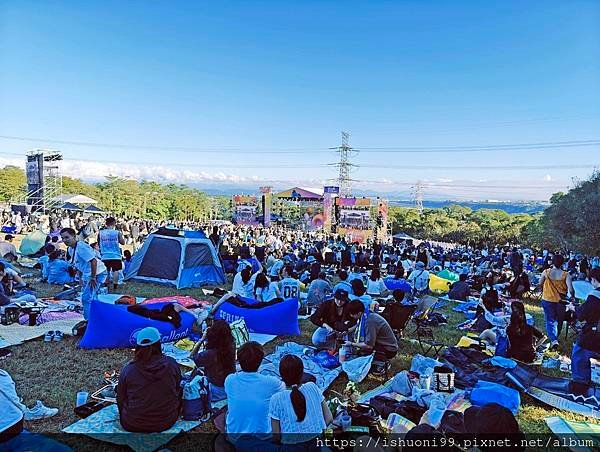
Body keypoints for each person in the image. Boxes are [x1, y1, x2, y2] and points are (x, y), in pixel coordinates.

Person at [117, 327, 182, 432]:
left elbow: (120, 397)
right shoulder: (172, 364)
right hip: (167, 421)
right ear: (159, 345)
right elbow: (178, 388)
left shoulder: (129, 370)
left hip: (132, 423)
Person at [224, 341, 285, 448]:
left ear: (239, 360)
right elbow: (283, 391)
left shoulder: (230, 380)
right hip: (264, 437)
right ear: (261, 361)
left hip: (234, 437)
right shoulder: (272, 383)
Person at [269, 355, 333, 449]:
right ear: (302, 373)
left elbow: (276, 436)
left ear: (281, 375)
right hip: (316, 445)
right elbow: (329, 419)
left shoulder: (276, 399)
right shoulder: (312, 387)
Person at [60, 228, 108, 320]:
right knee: (92, 297)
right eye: (62, 238)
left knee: (86, 298)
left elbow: (93, 261)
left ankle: (88, 322)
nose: (64, 240)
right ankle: (98, 317)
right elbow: (78, 264)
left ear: (74, 236)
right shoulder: (71, 249)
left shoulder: (81, 247)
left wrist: (93, 277)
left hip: (98, 273)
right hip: (89, 274)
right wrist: (81, 278)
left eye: (67, 237)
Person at [344, 300, 399, 373]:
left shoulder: (369, 321)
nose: (351, 316)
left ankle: (381, 363)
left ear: (359, 313)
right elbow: (358, 326)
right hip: (383, 343)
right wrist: (347, 331)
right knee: (359, 349)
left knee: (362, 352)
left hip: (389, 349)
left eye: (352, 314)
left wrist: (351, 343)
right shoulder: (366, 314)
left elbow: (368, 345)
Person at [570, 267, 600, 392]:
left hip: (594, 333)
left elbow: (582, 315)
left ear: (593, 280)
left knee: (579, 355)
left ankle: (580, 384)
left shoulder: (594, 295)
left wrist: (573, 308)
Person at [191, 319, 235, 402]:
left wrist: (201, 340)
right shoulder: (232, 345)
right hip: (230, 387)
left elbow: (192, 356)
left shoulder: (210, 354)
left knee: (193, 374)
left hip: (216, 391)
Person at [539, 255, 575, 350]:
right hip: (561, 301)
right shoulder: (566, 275)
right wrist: (572, 297)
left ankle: (554, 340)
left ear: (552, 262)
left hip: (547, 299)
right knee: (559, 320)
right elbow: (571, 289)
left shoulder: (546, 272)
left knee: (550, 320)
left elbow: (540, 284)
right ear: (562, 263)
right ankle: (555, 337)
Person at [98, 217, 125, 291]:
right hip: (115, 254)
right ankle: (115, 286)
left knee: (106, 270)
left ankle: (106, 286)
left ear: (106, 223)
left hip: (105, 254)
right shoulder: (117, 233)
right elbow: (123, 242)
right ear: (114, 224)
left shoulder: (101, 233)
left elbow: (98, 243)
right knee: (115, 270)